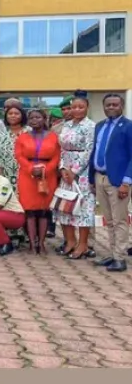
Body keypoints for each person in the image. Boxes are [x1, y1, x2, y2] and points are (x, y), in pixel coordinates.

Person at [89, 93, 132, 273]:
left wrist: (126, 182)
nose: (111, 108)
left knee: (120, 219)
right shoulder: (99, 126)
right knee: (109, 220)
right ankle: (113, 254)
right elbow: (95, 151)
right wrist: (92, 179)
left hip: (118, 180)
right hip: (100, 177)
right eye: (108, 105)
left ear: (121, 105)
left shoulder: (128, 126)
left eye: (115, 104)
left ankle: (120, 258)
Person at [55, 93, 96, 260]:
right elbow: (62, 148)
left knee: (83, 209)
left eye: (81, 107)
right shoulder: (67, 125)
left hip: (83, 173)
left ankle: (83, 244)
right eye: (74, 107)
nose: (76, 110)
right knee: (66, 206)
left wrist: (75, 171)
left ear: (87, 108)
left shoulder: (91, 126)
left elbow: (89, 150)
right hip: (65, 170)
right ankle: (70, 241)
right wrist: (63, 168)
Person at [15, 108, 60, 254]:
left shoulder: (53, 136)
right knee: (30, 210)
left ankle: (41, 242)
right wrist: (30, 169)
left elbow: (57, 156)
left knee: (43, 210)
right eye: (32, 118)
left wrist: (46, 170)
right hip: (28, 176)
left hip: (47, 176)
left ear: (44, 119)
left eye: (38, 117)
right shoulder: (22, 137)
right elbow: (19, 155)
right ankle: (32, 243)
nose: (35, 120)